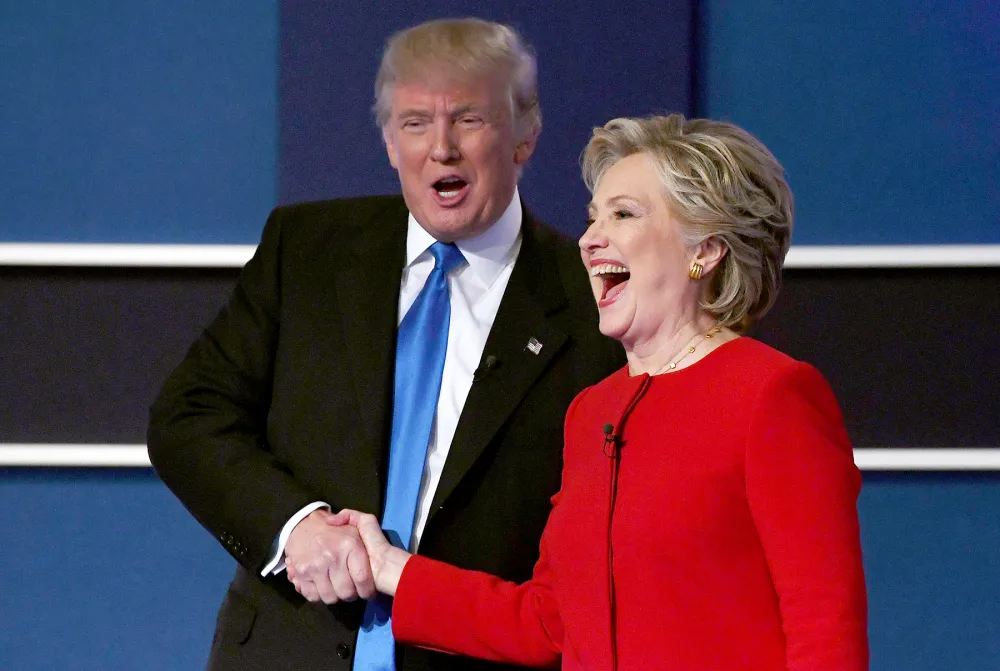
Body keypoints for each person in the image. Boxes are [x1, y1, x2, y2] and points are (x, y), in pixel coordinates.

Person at [147, 18, 624, 671]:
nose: (442, 148)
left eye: (469, 120)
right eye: (416, 123)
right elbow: (188, 416)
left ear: (525, 134)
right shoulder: (306, 250)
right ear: (389, 141)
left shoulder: (592, 298)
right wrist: (295, 526)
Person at [334, 114, 870, 670]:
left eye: (624, 214)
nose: (590, 240)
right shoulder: (592, 412)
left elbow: (824, 628)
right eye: (592, 219)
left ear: (706, 250)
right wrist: (391, 569)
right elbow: (550, 622)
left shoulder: (771, 395)